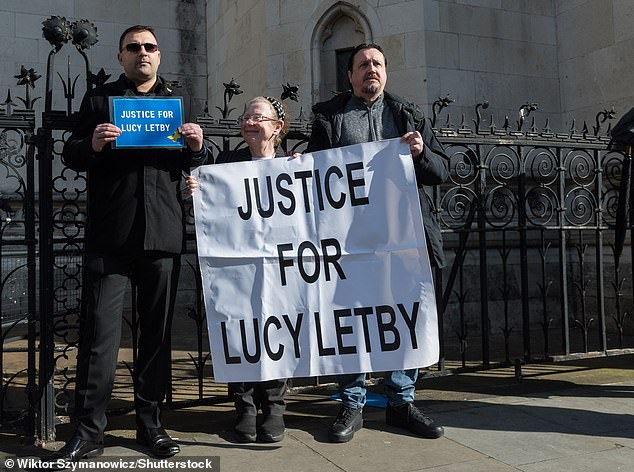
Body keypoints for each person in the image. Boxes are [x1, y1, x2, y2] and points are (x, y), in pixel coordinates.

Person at [49, 25, 208, 466]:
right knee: (100, 336)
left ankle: (151, 424)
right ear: (121, 56)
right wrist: (93, 144)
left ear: (159, 56)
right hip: (111, 235)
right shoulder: (100, 100)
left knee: (156, 337)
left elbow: (195, 159)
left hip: (162, 234)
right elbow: (71, 152)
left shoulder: (179, 103)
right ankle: (89, 430)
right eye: (134, 47)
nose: (143, 53)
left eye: (150, 47)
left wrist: (197, 147)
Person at [306, 43, 449, 443]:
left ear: (386, 72)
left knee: (403, 319)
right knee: (350, 321)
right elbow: (311, 176)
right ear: (349, 75)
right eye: (363, 64)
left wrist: (421, 154)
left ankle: (401, 403)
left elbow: (442, 169)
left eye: (378, 64)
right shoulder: (329, 118)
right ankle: (352, 403)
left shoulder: (408, 114)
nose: (371, 69)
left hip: (403, 239)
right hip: (350, 241)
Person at [187, 96, 290, 443]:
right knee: (240, 331)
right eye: (245, 116)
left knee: (278, 333)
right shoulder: (228, 162)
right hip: (238, 266)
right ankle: (244, 406)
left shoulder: (293, 165)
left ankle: (274, 407)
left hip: (280, 267)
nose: (249, 121)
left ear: (277, 127)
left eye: (257, 116)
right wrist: (198, 189)